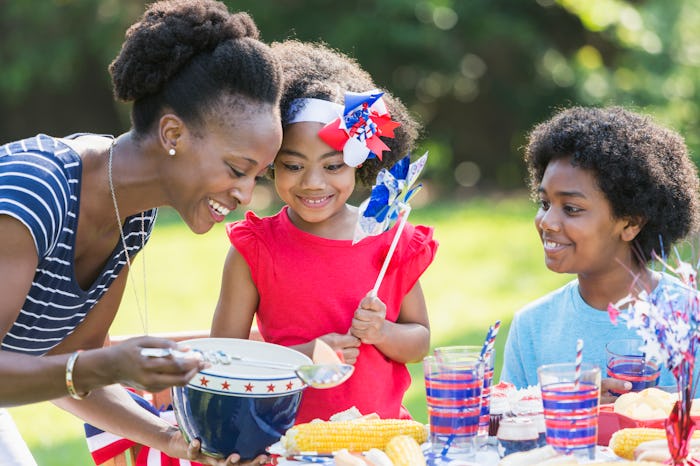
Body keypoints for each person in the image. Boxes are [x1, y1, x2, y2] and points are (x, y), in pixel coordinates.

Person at [0, 1, 282, 465]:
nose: (245, 195)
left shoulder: (132, 215)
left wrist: (176, 441)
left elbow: (74, 369)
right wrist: (104, 364)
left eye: (258, 177)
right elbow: (84, 367)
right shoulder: (35, 191)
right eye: (236, 169)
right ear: (172, 133)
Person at [210, 41, 438, 423]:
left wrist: (382, 332)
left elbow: (420, 343)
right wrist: (305, 355)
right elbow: (223, 358)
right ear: (271, 164)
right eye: (294, 166)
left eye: (333, 167)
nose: (313, 183)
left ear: (358, 165)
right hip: (283, 443)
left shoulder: (389, 237)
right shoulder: (256, 250)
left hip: (379, 440)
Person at [500, 106, 700, 403]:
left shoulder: (690, 321)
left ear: (631, 222)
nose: (547, 222)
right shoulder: (532, 326)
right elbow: (507, 432)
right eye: (544, 204)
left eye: (571, 209)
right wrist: (574, 407)